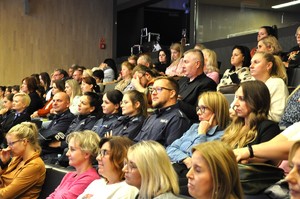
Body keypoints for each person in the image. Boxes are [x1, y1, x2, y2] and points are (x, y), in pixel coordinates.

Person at [167, 91, 230, 177]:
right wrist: (185, 159)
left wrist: (202, 134)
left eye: (203, 108)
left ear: (216, 111)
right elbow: (171, 148)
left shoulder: (223, 136)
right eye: (198, 108)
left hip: (192, 175)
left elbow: (199, 160)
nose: (198, 112)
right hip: (176, 167)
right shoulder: (194, 127)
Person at [222, 81, 281, 163]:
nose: (235, 104)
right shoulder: (235, 125)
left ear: (256, 100)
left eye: (242, 99)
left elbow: (266, 157)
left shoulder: (269, 128)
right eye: (236, 98)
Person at [134, 77, 190, 147]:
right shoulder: (152, 116)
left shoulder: (177, 119)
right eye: (152, 90)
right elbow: (136, 142)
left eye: (158, 89)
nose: (153, 93)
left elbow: (171, 152)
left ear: (172, 93)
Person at [47, 130, 100, 199]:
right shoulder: (69, 175)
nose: (67, 154)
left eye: (72, 149)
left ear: (86, 154)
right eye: (68, 149)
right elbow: (52, 195)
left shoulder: (90, 178)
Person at [0, 122, 46, 198]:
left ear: (24, 141)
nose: (9, 148)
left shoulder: (34, 165)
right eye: (8, 145)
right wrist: (3, 164)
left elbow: (5, 195)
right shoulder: (17, 158)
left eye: (11, 144)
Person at [178, 49, 217, 122]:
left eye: (186, 62)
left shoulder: (208, 84)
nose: (182, 66)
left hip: (189, 124)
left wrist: (175, 101)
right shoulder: (182, 81)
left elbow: (200, 112)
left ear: (197, 64)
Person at [250, 52, 289, 122]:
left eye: (256, 62)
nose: (251, 66)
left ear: (268, 65)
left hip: (265, 128)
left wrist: (249, 116)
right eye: (251, 63)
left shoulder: (277, 83)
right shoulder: (248, 84)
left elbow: (277, 116)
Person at [39, 92, 75, 164]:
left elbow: (48, 136)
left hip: (53, 153)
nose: (55, 103)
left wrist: (42, 135)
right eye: (54, 100)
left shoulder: (68, 118)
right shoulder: (58, 116)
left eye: (59, 101)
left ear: (68, 104)